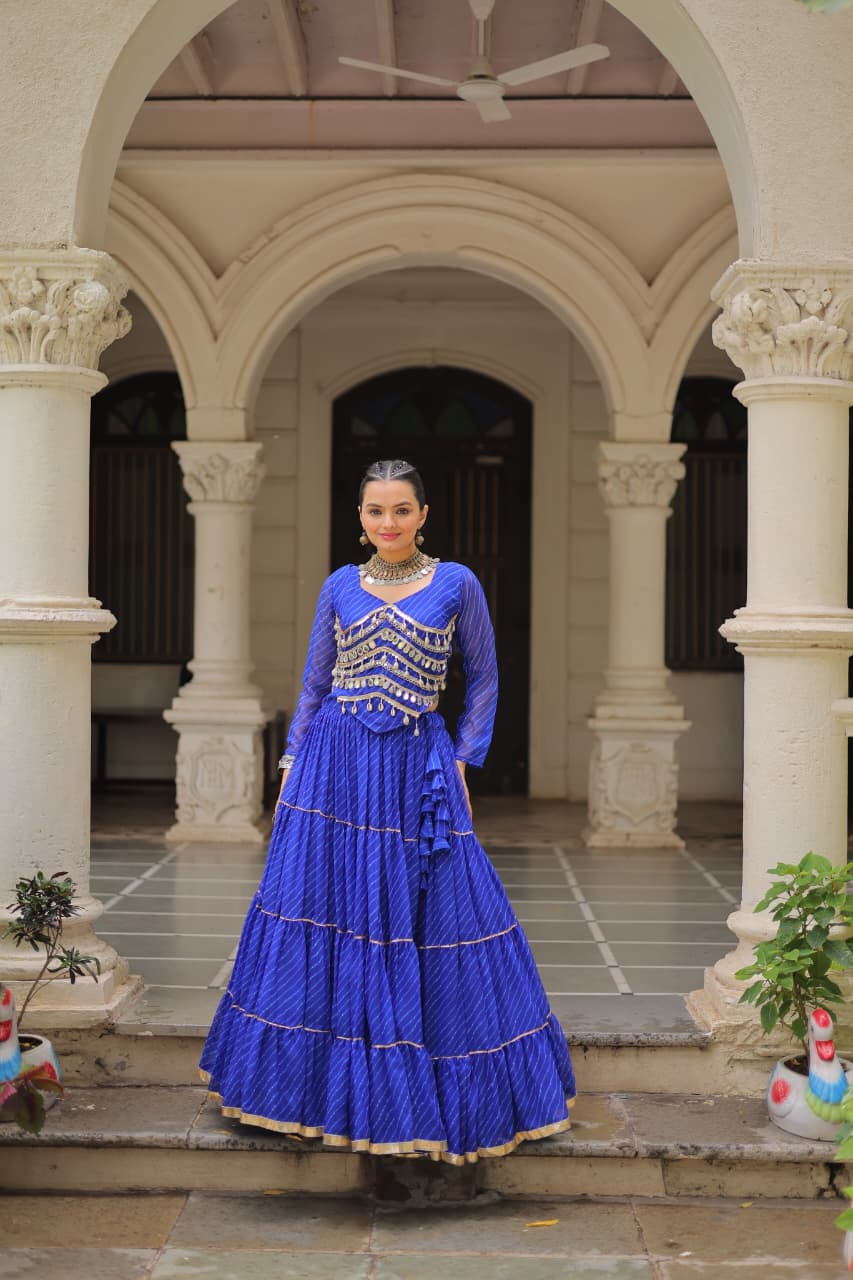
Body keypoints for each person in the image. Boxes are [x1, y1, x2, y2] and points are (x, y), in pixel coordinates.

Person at [200, 458, 576, 1164]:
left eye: (401, 510)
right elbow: (314, 684)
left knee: (441, 910)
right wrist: (289, 764)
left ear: (423, 514)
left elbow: (487, 678)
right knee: (324, 905)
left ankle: (438, 1086)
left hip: (415, 765)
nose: (388, 523)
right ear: (361, 518)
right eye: (375, 511)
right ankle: (297, 1091)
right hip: (335, 764)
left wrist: (465, 757)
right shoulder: (340, 586)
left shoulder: (457, 583)